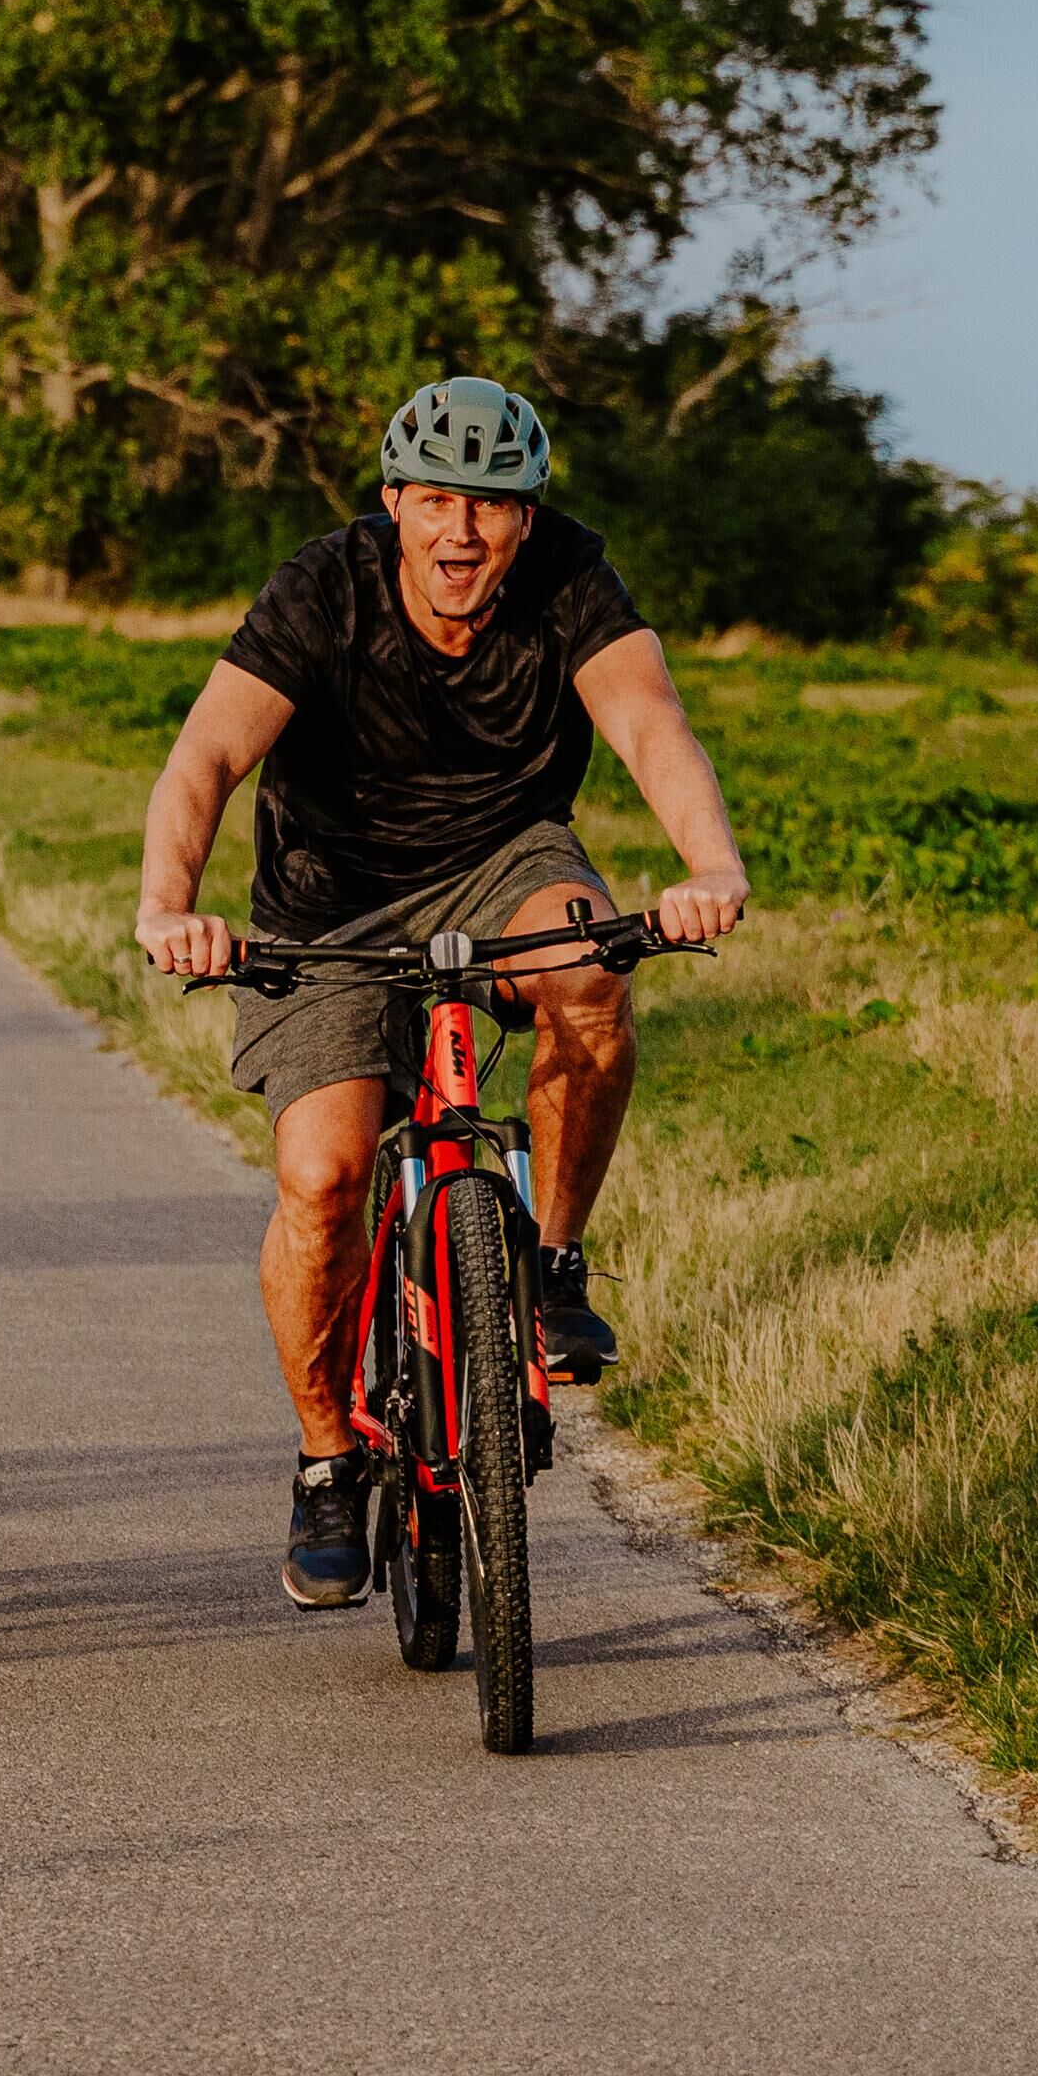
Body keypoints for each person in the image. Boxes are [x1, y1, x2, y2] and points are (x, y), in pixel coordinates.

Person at [134, 377, 751, 1608]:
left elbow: (647, 726)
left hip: (501, 859)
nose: (459, 533)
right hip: (328, 898)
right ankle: (324, 1460)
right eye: (434, 503)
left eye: (490, 506)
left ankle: (555, 1265)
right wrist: (169, 907)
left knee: (586, 973)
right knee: (325, 1179)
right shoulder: (323, 588)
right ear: (391, 504)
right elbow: (205, 755)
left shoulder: (573, 578)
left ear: (526, 518)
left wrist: (706, 864)